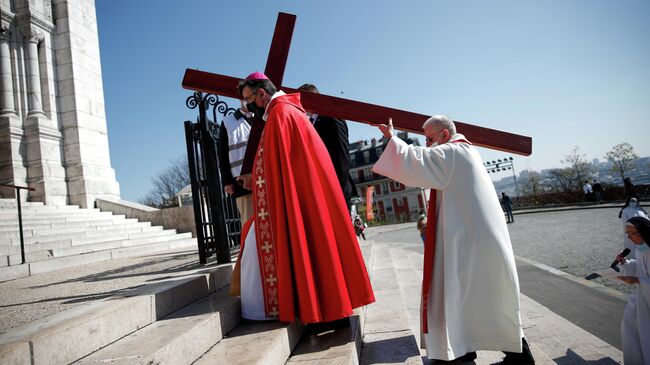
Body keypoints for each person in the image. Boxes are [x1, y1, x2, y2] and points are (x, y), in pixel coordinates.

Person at [373, 116, 534, 364]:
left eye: (428, 139)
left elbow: (415, 162)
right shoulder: (465, 152)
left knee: (477, 296)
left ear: (444, 135)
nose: (426, 145)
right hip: (472, 240)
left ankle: (512, 356)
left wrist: (392, 138)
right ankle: (471, 350)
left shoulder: (454, 153)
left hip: (470, 243)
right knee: (482, 297)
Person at [234, 71, 375, 324]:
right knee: (321, 251)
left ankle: (325, 312)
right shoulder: (290, 110)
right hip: (308, 194)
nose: (248, 106)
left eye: (249, 99)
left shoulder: (280, 115)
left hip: (301, 197)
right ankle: (331, 309)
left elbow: (276, 165)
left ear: (262, 94)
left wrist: (254, 177)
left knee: (313, 249)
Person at [298, 83, 357, 211]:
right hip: (323, 188)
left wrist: (338, 188)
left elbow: (341, 155)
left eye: (301, 99)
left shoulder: (331, 118)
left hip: (336, 188)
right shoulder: (312, 122)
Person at [615, 216, 650, 364]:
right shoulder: (642, 248)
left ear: (643, 231)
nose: (629, 237)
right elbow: (641, 269)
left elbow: (642, 275)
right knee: (629, 329)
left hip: (646, 303)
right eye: (627, 234)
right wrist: (625, 263)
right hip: (640, 299)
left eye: (631, 233)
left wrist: (637, 280)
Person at [217, 101, 254, 222]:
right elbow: (222, 154)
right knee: (249, 223)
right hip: (241, 185)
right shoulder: (228, 122)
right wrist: (227, 182)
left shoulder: (265, 117)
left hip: (267, 181)